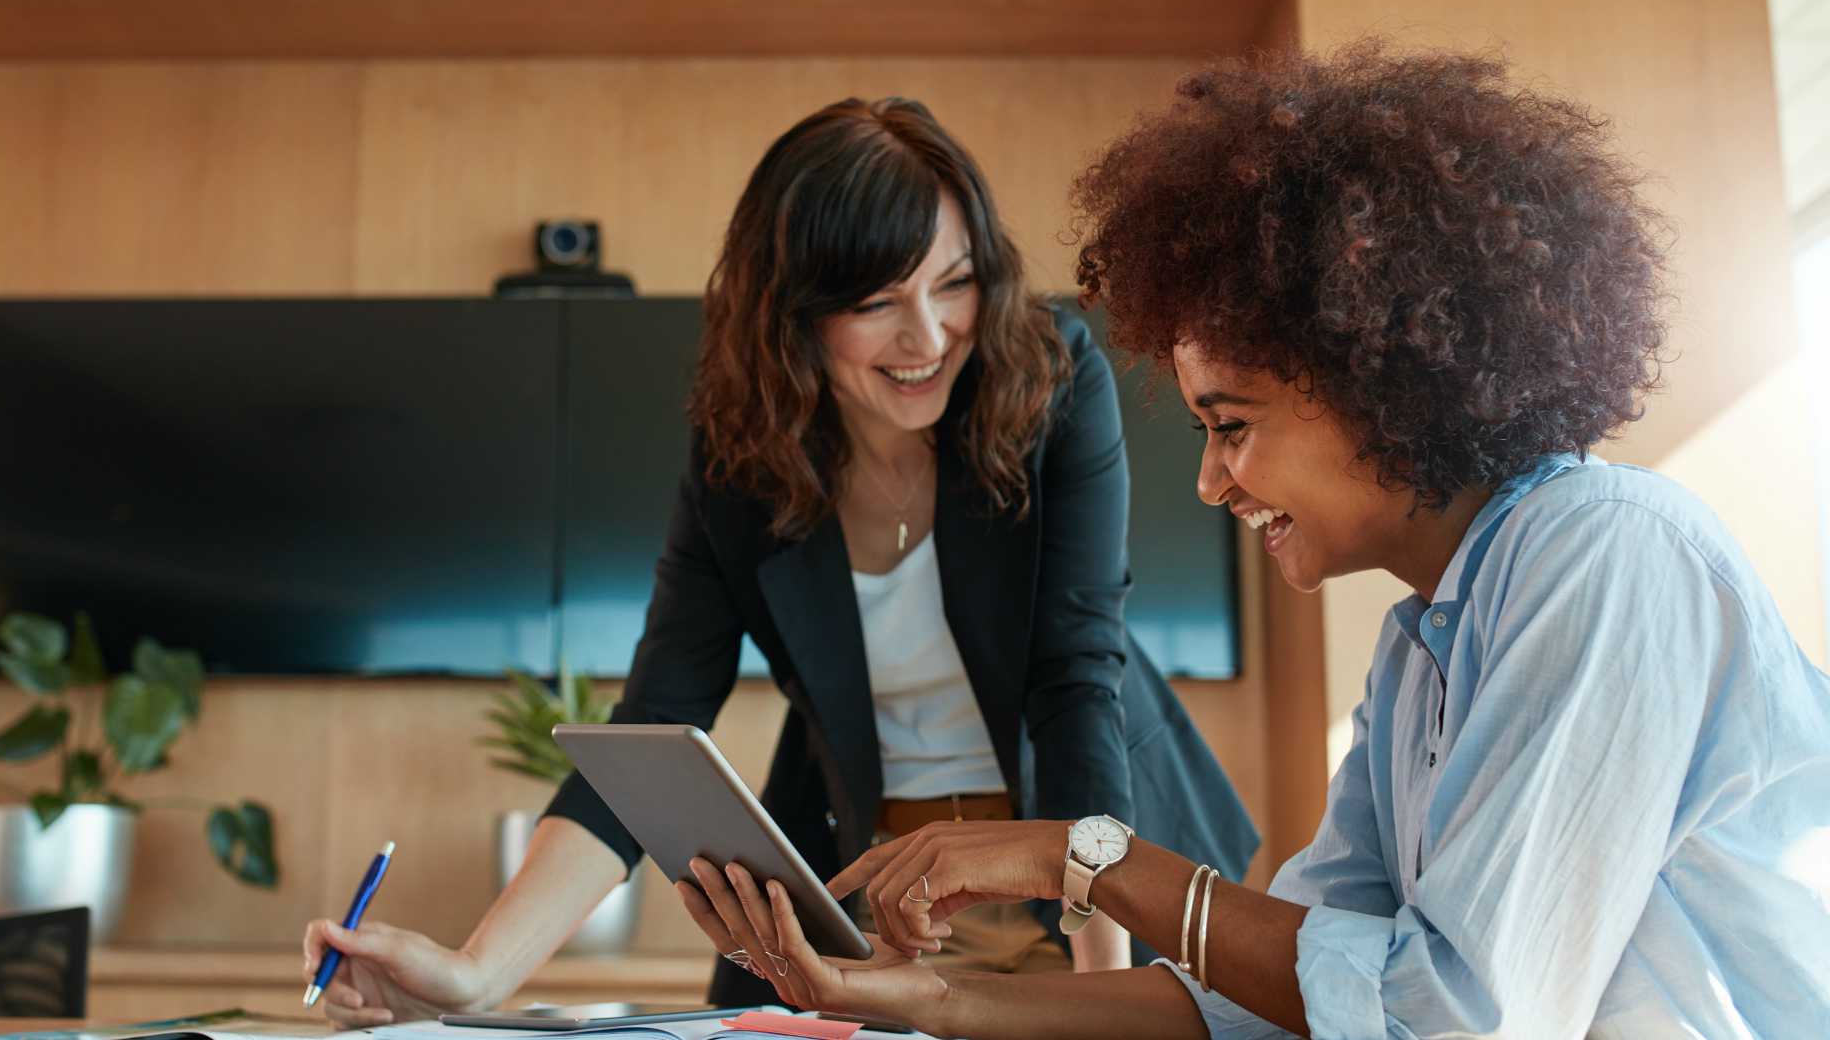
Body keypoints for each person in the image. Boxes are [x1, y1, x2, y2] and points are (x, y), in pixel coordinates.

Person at [678, 44, 1830, 1038]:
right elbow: (1279, 1002)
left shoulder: (1605, 554)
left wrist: (1081, 856)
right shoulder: (1419, 650)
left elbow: (1448, 1017)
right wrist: (924, 1001)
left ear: (1377, 377)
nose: (1212, 477)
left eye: (1231, 426)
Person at [301, 96, 1257, 1025]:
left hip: (1087, 875)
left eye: (954, 282)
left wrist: (1105, 994)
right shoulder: (743, 458)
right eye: (878, 302)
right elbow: (655, 725)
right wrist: (473, 976)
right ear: (793, 313)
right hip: (879, 901)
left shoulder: (1051, 378)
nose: (928, 337)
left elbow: (1073, 676)